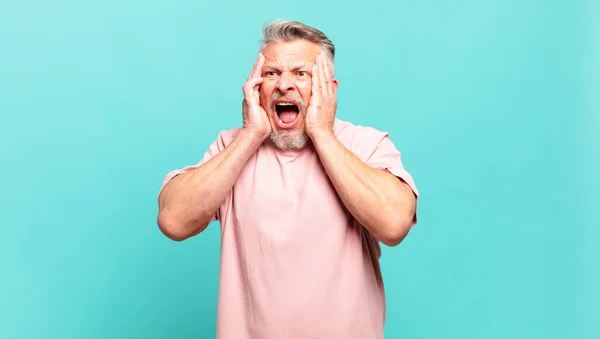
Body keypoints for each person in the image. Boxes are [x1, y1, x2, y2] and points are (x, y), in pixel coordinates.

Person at [157, 19, 419, 339]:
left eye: (301, 73)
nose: (284, 85)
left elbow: (394, 224)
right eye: (271, 73)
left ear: (329, 88)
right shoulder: (231, 146)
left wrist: (321, 131)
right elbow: (173, 220)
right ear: (256, 86)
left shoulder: (366, 145)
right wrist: (251, 134)